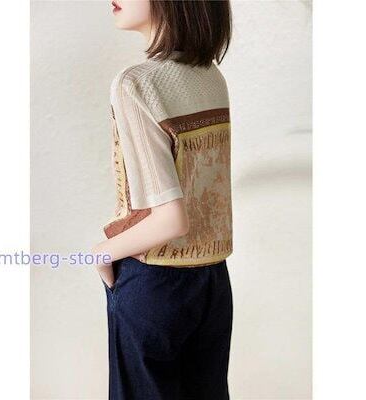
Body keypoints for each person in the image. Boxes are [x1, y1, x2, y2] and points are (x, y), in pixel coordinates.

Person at [92, 1, 234, 399]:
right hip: (212, 282)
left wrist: (101, 253)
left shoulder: (136, 83)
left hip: (154, 280)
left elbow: (170, 220)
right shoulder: (210, 76)